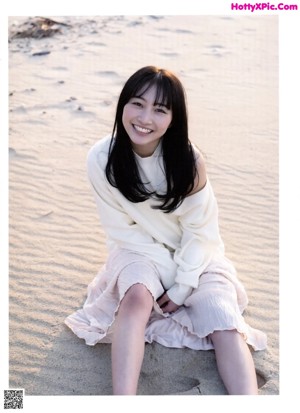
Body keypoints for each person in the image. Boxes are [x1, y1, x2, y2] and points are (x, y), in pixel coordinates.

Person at [65, 65, 267, 395]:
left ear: (174, 118)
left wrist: (183, 284)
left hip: (197, 255)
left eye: (159, 109)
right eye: (137, 104)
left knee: (222, 317)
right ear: (122, 106)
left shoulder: (188, 162)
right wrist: (165, 278)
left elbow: (201, 232)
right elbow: (122, 231)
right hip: (136, 249)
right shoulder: (101, 158)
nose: (145, 118)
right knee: (136, 300)